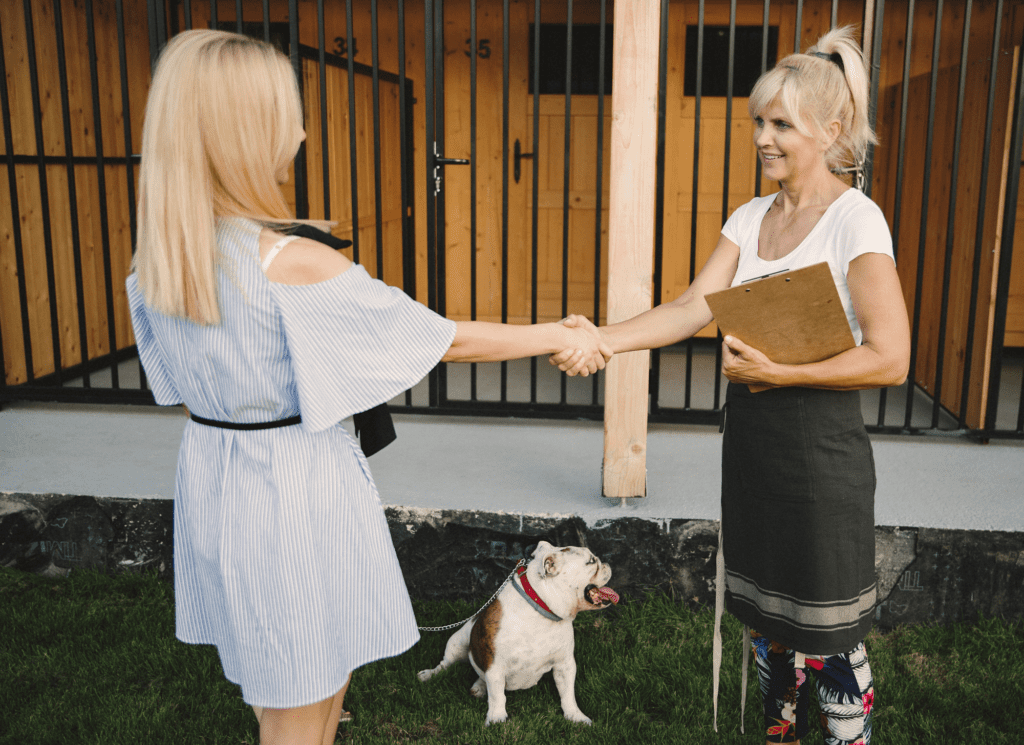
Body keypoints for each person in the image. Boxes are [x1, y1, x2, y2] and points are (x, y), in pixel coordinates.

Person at [127, 29, 610, 745]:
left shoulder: (160, 264)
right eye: (287, 113)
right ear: (245, 131)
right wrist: (558, 333)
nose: (302, 129)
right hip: (292, 488)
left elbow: (174, 386)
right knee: (300, 698)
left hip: (219, 479)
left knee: (299, 680)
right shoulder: (289, 261)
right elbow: (437, 337)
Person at [556, 26, 909, 745]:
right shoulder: (750, 218)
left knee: (830, 632)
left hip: (821, 457)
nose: (763, 137)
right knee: (771, 626)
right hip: (754, 449)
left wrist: (781, 372)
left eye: (782, 123)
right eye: (759, 121)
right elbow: (692, 308)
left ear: (831, 130)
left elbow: (891, 357)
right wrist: (601, 338)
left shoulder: (854, 219)